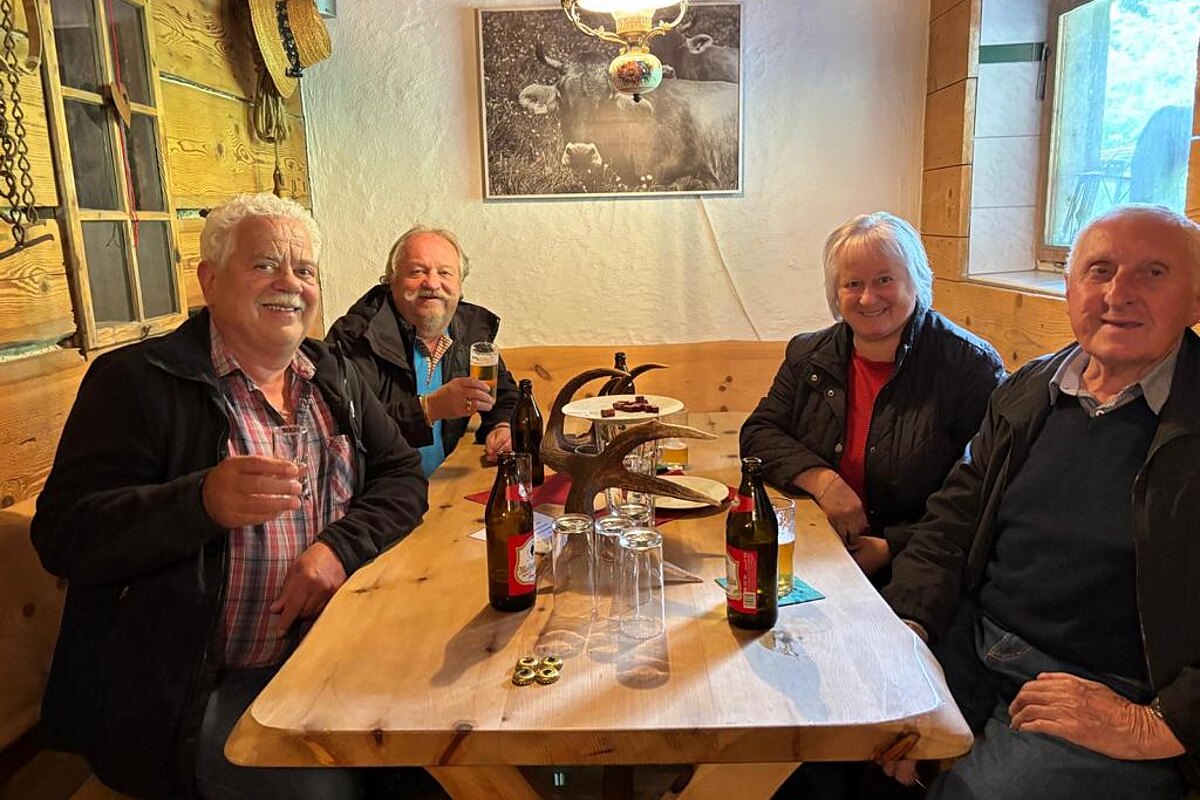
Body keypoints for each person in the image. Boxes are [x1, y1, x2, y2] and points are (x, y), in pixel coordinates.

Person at [31, 193, 429, 800]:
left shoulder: (331, 375)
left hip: (330, 655)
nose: (290, 283)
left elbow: (402, 475)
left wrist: (338, 550)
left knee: (431, 749)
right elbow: (64, 536)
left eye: (305, 269)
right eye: (265, 264)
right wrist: (199, 504)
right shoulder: (138, 382)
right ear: (210, 281)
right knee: (321, 794)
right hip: (193, 694)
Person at [881, 205, 1200, 799]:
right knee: (841, 737)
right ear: (1070, 288)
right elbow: (952, 519)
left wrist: (1164, 722)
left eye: (1153, 273)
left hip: (1113, 685)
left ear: (1196, 299)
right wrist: (910, 629)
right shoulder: (1031, 389)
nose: (1118, 294)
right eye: (1099, 271)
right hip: (976, 639)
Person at [740, 211, 1004, 578]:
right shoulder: (807, 354)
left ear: (916, 281)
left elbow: (984, 492)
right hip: (820, 550)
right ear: (836, 293)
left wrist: (895, 545)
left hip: (924, 567)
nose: (868, 298)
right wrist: (825, 482)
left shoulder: (970, 365)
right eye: (853, 284)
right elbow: (758, 434)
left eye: (884, 279)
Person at [326, 226, 518, 476]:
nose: (433, 283)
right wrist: (429, 408)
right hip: (378, 490)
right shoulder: (355, 337)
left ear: (460, 286)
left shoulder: (470, 332)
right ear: (391, 281)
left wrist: (502, 427)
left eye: (445, 273)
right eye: (417, 272)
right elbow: (347, 428)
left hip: (444, 487)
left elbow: (503, 394)